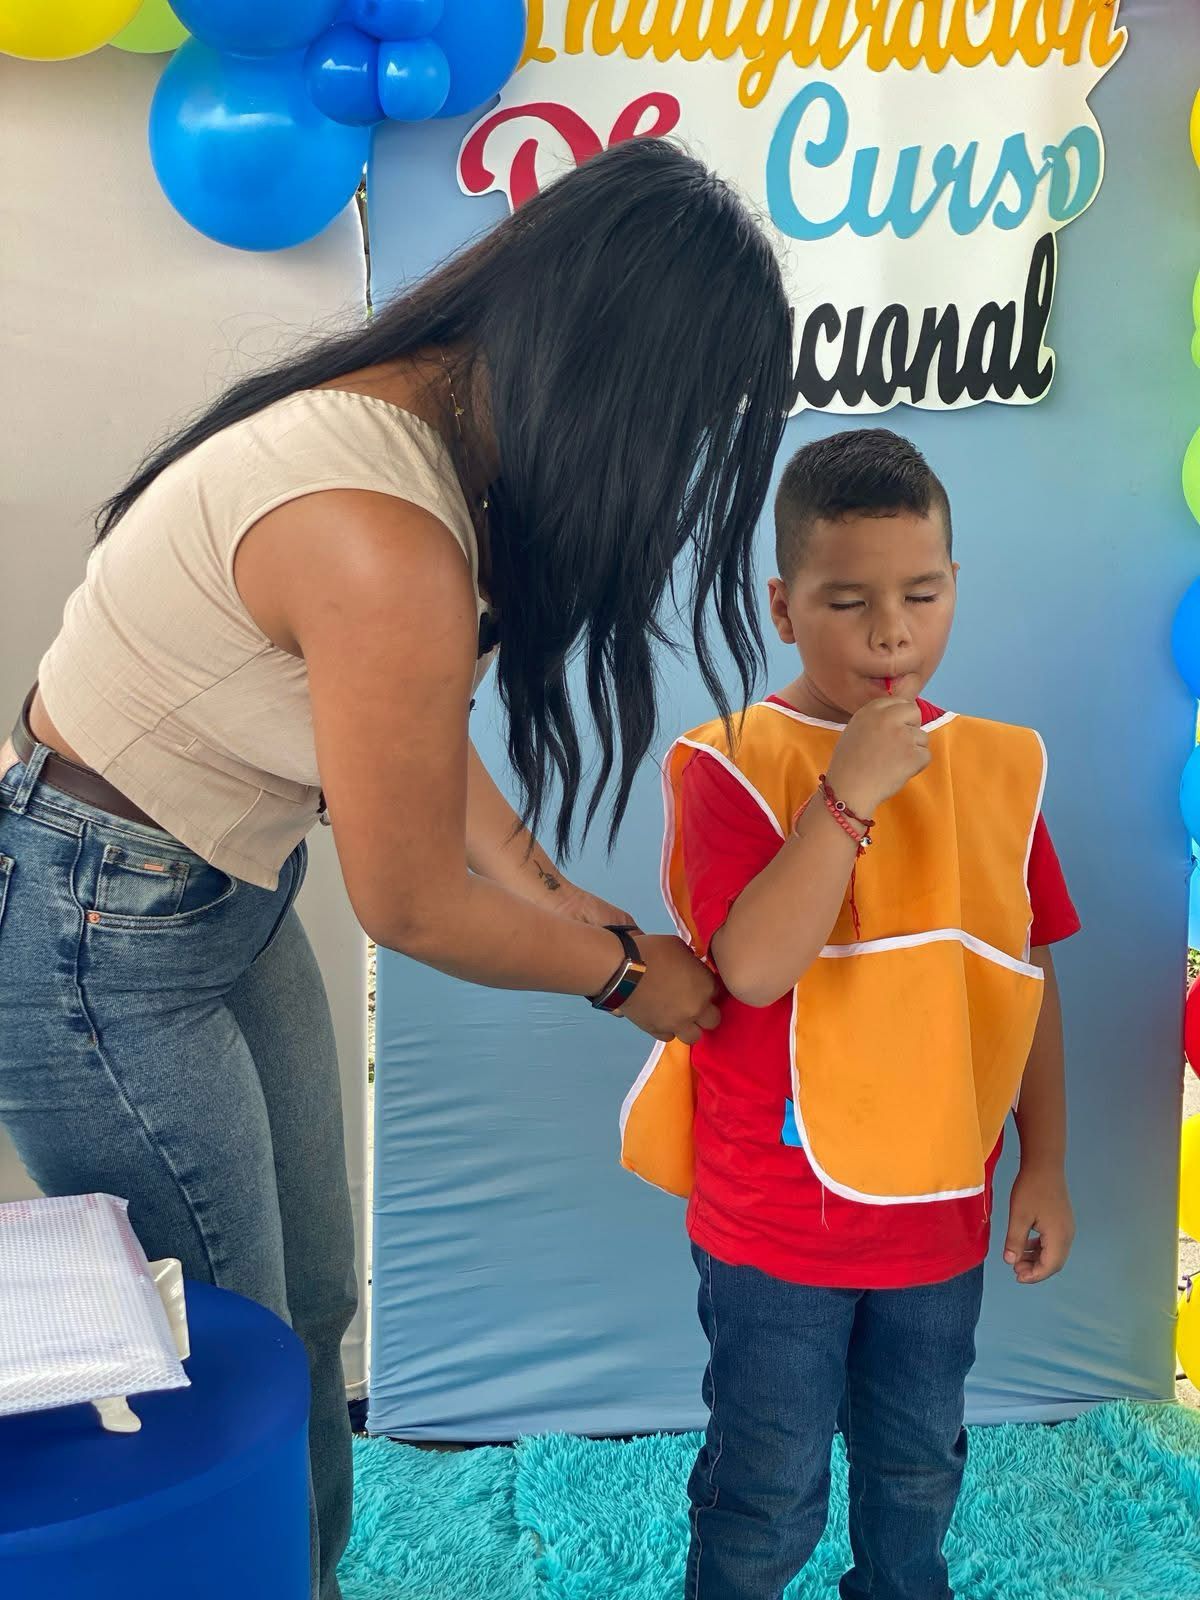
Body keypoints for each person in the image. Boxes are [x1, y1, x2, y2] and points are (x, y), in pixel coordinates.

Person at [0, 139, 795, 1600]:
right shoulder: (382, 532)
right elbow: (413, 902)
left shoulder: (413, 426)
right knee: (224, 1366)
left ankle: (310, 1573)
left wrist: (555, 888)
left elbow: (403, 733)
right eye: (689, 427)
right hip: (94, 931)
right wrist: (627, 975)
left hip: (208, 896)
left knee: (309, 1304)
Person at [620, 429, 1079, 1600]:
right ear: (782, 607)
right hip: (776, 1222)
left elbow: (1023, 980)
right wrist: (848, 796)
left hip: (940, 1212)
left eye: (921, 594)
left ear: (955, 587)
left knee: (917, 1471)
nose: (891, 632)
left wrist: (1044, 1163)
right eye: (847, 600)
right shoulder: (727, 764)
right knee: (767, 1488)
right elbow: (754, 968)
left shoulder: (998, 771)